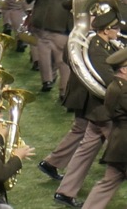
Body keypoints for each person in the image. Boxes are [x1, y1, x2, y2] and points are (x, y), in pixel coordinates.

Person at [52, 11, 120, 208]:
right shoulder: (97, 49)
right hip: (104, 112)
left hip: (97, 112)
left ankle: (65, 191)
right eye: (115, 28)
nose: (118, 31)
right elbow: (109, 80)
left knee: (85, 151)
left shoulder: (103, 44)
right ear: (106, 30)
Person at [81, 47, 127, 208]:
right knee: (107, 183)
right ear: (124, 69)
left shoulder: (115, 86)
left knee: (107, 184)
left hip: (118, 145)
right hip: (124, 146)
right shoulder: (122, 90)